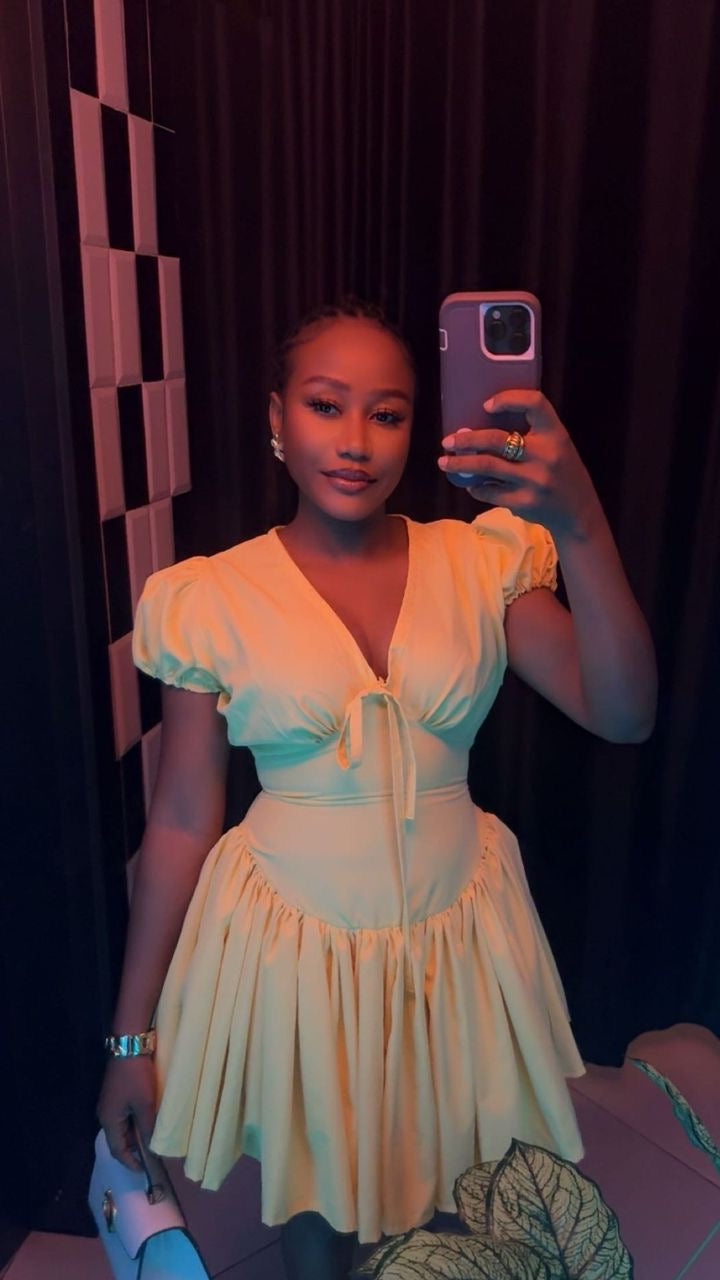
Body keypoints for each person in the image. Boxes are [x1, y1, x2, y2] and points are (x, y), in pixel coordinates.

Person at [97, 297, 657, 1280]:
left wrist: (577, 521)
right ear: (277, 416)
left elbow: (623, 712)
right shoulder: (209, 597)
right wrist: (130, 1038)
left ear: (415, 426)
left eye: (387, 413)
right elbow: (183, 818)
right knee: (318, 1201)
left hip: (455, 933)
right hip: (293, 942)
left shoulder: (482, 561)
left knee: (443, 1178)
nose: (355, 440)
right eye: (326, 404)